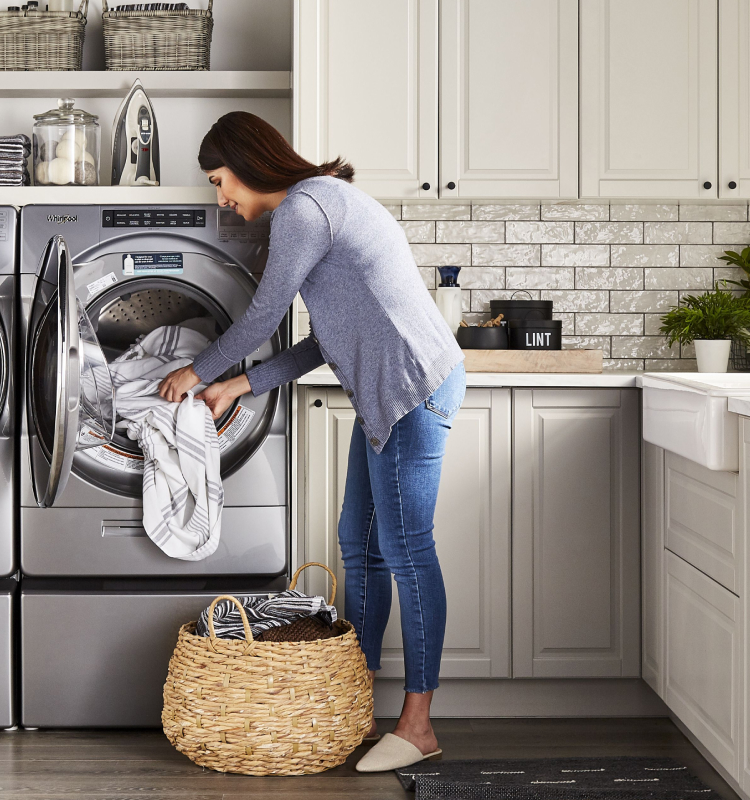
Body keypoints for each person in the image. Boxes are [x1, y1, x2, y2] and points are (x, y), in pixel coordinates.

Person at [158, 112, 467, 772]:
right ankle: (351, 699)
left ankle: (418, 724)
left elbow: (263, 317)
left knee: (406, 548)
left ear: (248, 162)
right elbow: (326, 339)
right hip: (387, 389)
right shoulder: (323, 201)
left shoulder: (306, 208)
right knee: (359, 540)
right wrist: (242, 385)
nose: (222, 199)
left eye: (220, 181)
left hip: (410, 386)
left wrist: (197, 371)